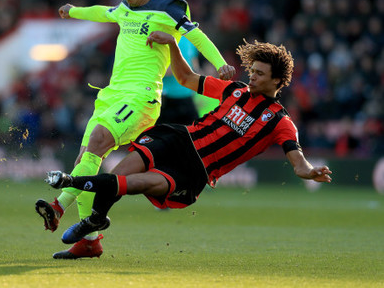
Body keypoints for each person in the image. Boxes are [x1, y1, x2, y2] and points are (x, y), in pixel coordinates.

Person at [35, 0, 236, 259]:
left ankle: (58, 206)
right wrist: (73, 11)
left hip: (142, 98)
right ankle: (91, 241)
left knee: (98, 142)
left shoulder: (170, 7)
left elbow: (197, 35)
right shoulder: (125, 9)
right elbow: (105, 13)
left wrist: (220, 62)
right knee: (85, 159)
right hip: (111, 96)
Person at [43, 32, 332, 251]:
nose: (251, 77)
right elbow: (185, 77)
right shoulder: (234, 90)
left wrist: (307, 170)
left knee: (136, 184)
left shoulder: (280, 121)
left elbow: (297, 158)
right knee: (119, 174)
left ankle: (70, 186)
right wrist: (172, 45)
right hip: (179, 139)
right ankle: (92, 220)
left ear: (277, 81)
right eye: (252, 71)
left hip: (195, 171)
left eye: (259, 74)